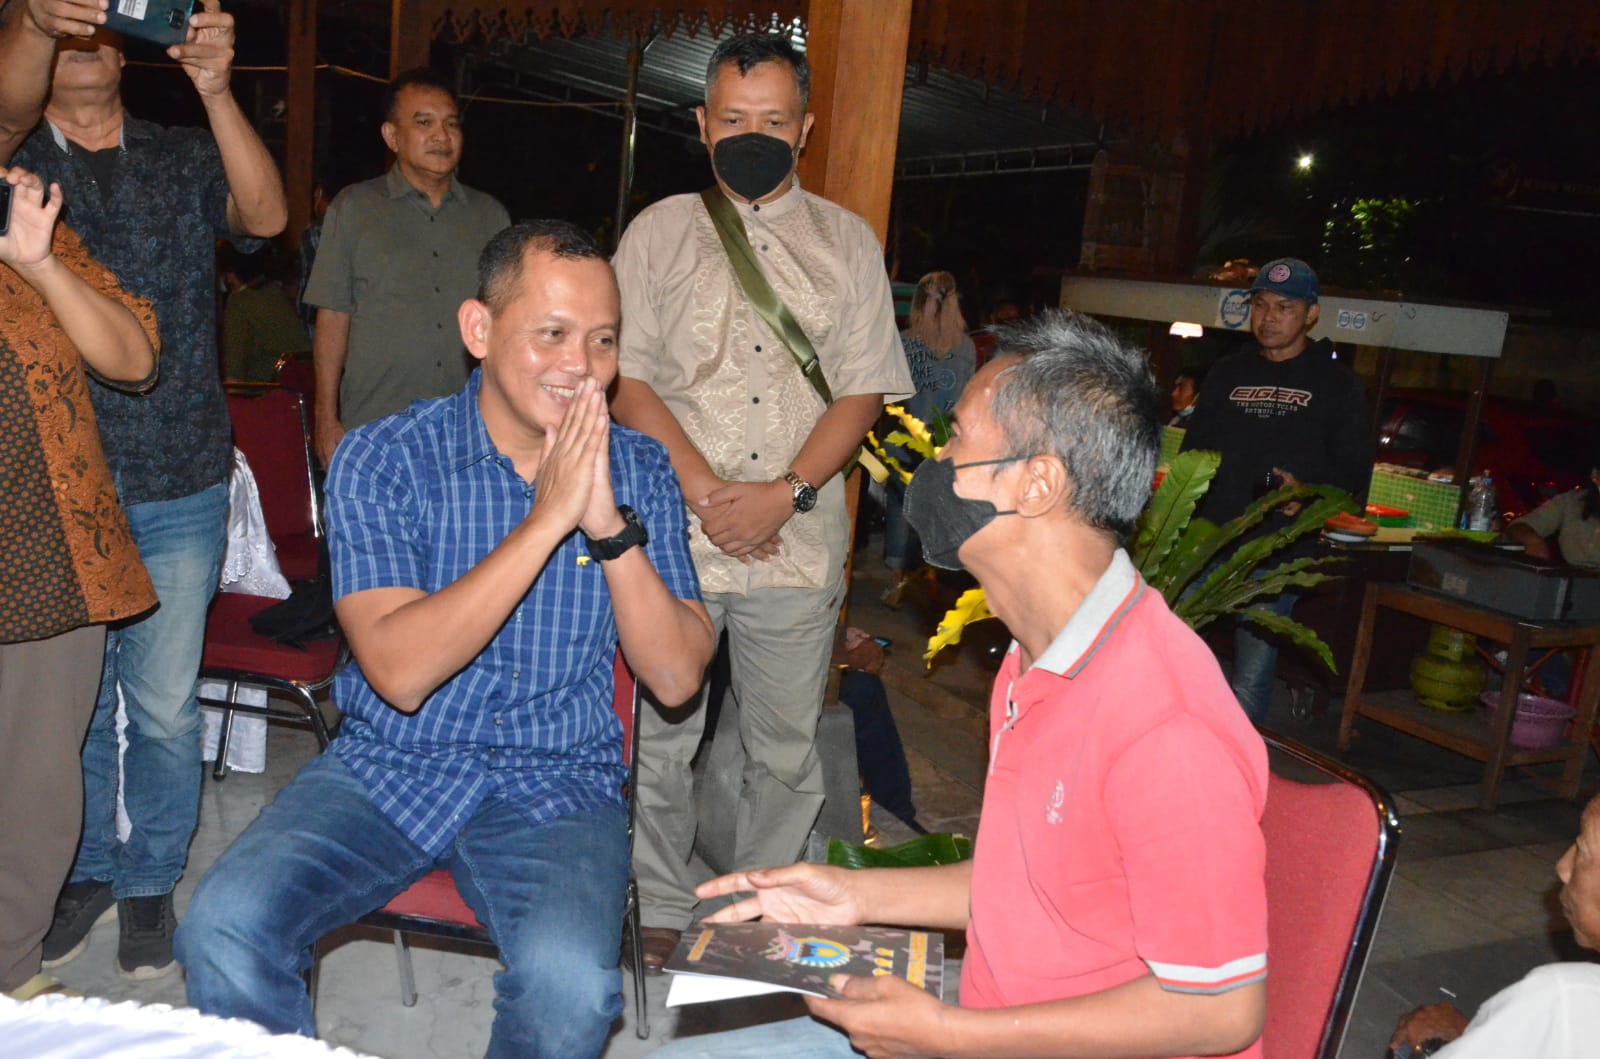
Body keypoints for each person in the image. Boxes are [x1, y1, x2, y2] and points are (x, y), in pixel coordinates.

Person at [650, 311, 1269, 1059]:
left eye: (959, 440)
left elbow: (1221, 1009)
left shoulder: (1166, 725)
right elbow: (1029, 880)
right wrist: (855, 894)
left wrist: (950, 1037)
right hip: (992, 1026)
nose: (936, 462)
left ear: (1037, 483)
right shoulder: (1040, 653)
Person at [176, 220, 716, 1058]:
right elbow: (398, 671)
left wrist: (605, 521)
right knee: (222, 924)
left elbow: (678, 679)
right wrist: (546, 522)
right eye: (552, 334)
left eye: (603, 340)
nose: (581, 365)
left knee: (571, 990)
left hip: (556, 782)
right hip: (390, 765)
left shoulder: (640, 466)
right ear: (478, 329)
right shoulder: (386, 458)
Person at [611, 33, 913, 972]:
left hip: (799, 539)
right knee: (659, 740)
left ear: (806, 127)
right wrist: (707, 494)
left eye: (773, 120)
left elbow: (862, 389)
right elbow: (624, 377)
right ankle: (659, 907)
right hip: (676, 536)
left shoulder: (847, 243)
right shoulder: (657, 233)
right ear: (703, 124)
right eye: (734, 118)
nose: (753, 135)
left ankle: (752, 920)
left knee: (784, 751)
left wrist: (785, 495)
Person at [0, 0, 287, 979]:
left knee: (163, 707)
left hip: (177, 469)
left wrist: (217, 91)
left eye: (103, 26)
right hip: (49, 488)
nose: (86, 40)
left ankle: (149, 877)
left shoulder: (179, 151)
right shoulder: (14, 157)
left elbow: (267, 220)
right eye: (65, 25)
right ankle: (79, 870)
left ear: (127, 50)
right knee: (66, 712)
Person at [0, 166, 158, 1002]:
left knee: (36, 783)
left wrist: (39, 263)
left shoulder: (24, 220)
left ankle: (9, 971)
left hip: (44, 553)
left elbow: (135, 359)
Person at [1180, 257, 1369, 723]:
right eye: (1261, 305)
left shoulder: (1337, 385)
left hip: (1275, 551)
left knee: (1251, 672)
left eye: (1284, 307)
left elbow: (1352, 480)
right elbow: (1193, 453)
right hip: (1210, 540)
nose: (1269, 317)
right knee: (1174, 653)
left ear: (1311, 314)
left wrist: (1306, 493)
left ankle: (1240, 762)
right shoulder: (1227, 372)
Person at [303, 67, 510, 467]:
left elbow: (508, 322)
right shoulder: (354, 208)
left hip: (469, 432)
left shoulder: (491, 217)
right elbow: (332, 316)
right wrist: (325, 417)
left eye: (451, 124)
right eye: (424, 123)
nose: (441, 136)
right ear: (392, 136)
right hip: (376, 427)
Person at [1388, 793, 1600, 1058]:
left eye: (1583, 851)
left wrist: (1431, 1047)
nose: (1562, 867)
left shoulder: (1566, 997)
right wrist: (1490, 1035)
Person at [884, 270, 978, 578]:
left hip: (906, 441)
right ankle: (929, 574)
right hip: (946, 445)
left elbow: (891, 395)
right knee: (937, 512)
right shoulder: (966, 348)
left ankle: (896, 575)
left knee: (901, 507)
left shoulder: (904, 343)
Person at [219, 245, 311, 383]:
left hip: (265, 388)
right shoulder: (275, 292)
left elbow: (234, 371)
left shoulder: (240, 302)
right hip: (300, 383)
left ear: (230, 275)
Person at [1504, 455, 1600, 569]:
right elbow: (1518, 526)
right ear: (1595, 475)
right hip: (1572, 577)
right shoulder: (1571, 502)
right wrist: (1533, 541)